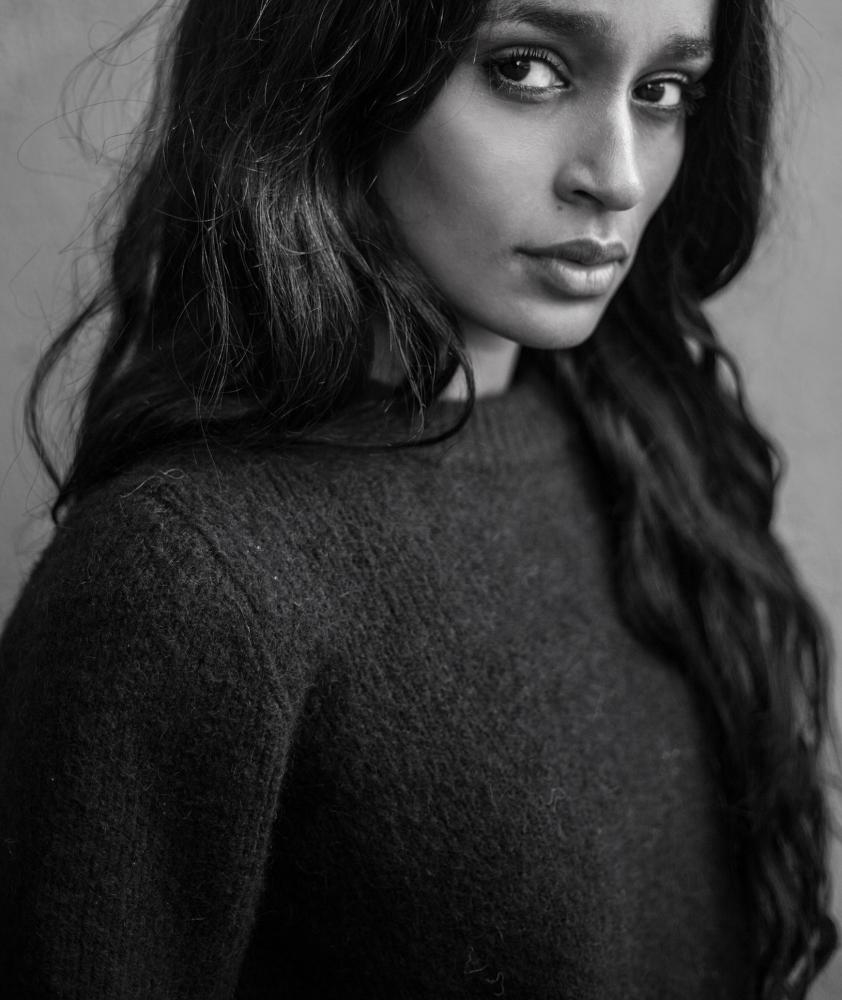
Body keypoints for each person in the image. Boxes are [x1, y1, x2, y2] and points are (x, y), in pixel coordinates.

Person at [0, 0, 837, 996]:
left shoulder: (642, 456)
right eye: (526, 70)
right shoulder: (177, 581)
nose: (615, 176)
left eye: (662, 91)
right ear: (329, 64)